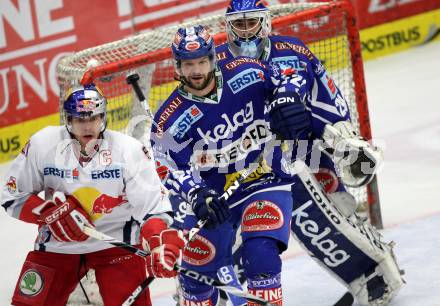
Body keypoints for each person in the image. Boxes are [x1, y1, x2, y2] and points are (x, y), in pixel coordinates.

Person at [219, 0, 405, 305]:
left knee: (330, 206)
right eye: (238, 24)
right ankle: (218, 291)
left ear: (264, 23)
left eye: (250, 22)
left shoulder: (292, 52)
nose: (244, 30)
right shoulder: (219, 66)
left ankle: (373, 276)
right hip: (249, 161)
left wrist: (340, 138)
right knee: (243, 227)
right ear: (228, 27)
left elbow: (325, 101)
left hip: (303, 150)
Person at [1, 84, 185, 306]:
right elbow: (11, 195)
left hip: (117, 244)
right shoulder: (43, 143)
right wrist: (48, 214)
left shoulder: (128, 149)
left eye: (94, 118)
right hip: (57, 244)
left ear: (103, 117)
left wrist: (157, 242)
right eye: (80, 119)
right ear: (68, 120)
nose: (88, 126)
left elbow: (153, 207)